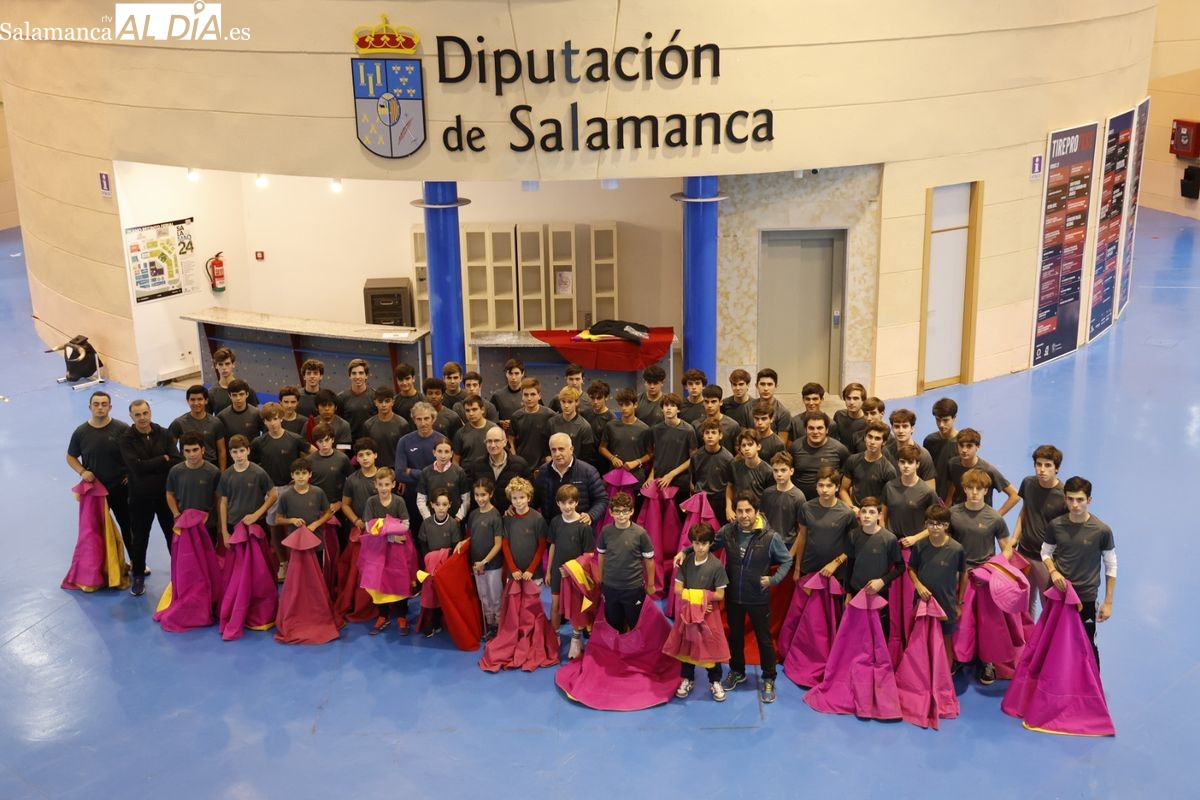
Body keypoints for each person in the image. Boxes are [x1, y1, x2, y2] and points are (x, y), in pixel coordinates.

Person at [681, 491, 792, 703]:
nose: (743, 515)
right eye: (740, 510)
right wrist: (685, 552)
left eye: (748, 510)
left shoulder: (770, 537)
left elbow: (786, 560)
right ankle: (737, 671)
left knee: (764, 639)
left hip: (758, 597)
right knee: (735, 636)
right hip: (733, 596)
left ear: (756, 512)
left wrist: (774, 579)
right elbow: (705, 543)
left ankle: (768, 677)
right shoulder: (728, 532)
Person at [948, 467, 1014, 684]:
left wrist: (993, 566)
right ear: (964, 489)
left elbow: (1007, 548)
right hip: (961, 576)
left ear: (986, 490)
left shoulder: (994, 517)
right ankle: (958, 657)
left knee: (988, 623)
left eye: (979, 488)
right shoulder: (953, 513)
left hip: (985, 578)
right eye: (970, 488)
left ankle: (988, 662)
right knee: (960, 620)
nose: (974, 492)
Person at [1043, 476, 1116, 666]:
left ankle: (1092, 689)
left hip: (1086, 597)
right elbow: (1045, 552)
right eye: (1070, 499)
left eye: (1080, 500)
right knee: (1054, 641)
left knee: (1087, 643)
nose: (1075, 504)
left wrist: (1108, 602)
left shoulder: (1102, 530)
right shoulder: (1056, 525)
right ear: (1065, 499)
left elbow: (1111, 565)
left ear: (1089, 500)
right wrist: (1053, 571)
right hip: (1058, 594)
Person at [119, 399, 180, 595]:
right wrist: (162, 459)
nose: (142, 418)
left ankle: (179, 573)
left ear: (150, 412)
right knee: (140, 538)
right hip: (140, 497)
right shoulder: (126, 439)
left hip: (164, 495)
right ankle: (138, 575)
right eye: (137, 415)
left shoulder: (163, 433)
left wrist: (149, 464)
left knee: (172, 535)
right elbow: (135, 467)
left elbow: (176, 460)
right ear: (131, 416)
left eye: (145, 413)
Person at [66, 390, 131, 567]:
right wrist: (82, 472)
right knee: (95, 530)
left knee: (128, 526)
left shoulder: (122, 429)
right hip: (95, 490)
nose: (100, 408)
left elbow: (133, 454)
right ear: (90, 407)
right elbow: (71, 456)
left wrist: (130, 473)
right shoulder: (81, 432)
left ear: (110, 407)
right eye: (96, 404)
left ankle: (135, 561)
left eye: (104, 404)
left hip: (120, 487)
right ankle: (101, 568)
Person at [669, 522, 729, 702]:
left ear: (711, 543)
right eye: (695, 543)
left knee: (712, 645)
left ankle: (715, 680)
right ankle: (687, 678)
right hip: (689, 614)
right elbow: (678, 589)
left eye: (703, 543)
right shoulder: (687, 561)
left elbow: (720, 594)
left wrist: (701, 603)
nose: (699, 547)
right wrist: (699, 603)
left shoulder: (716, 565)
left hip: (709, 615)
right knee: (688, 644)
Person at [907, 505, 968, 669]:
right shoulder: (920, 546)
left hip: (946, 603)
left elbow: (964, 574)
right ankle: (924, 675)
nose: (934, 527)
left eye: (939, 524)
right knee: (921, 639)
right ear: (926, 524)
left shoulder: (956, 549)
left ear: (946, 526)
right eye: (930, 523)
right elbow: (911, 568)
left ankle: (944, 678)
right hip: (922, 602)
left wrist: (960, 602)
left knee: (945, 641)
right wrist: (918, 585)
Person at [1014, 445, 1068, 614]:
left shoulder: (1064, 495)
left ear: (1057, 468)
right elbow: (1024, 511)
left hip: (1047, 561)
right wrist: (1014, 539)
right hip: (1024, 554)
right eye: (1038, 464)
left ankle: (1046, 640)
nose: (1042, 470)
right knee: (1024, 604)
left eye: (1047, 465)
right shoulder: (1028, 483)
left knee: (1049, 606)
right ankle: (1027, 640)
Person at [364, 467, 414, 636]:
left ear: (393, 484)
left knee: (399, 579)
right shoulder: (371, 502)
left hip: (398, 551)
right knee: (378, 580)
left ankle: (401, 615)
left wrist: (386, 529)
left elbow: (406, 524)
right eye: (380, 485)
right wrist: (389, 537)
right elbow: (369, 527)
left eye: (387, 484)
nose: (384, 488)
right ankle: (382, 615)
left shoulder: (399, 501)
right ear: (375, 485)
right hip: (377, 549)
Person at [846, 497, 905, 639]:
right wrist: (848, 592)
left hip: (879, 593)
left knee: (880, 633)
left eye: (872, 512)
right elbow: (850, 564)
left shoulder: (889, 539)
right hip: (856, 591)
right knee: (857, 633)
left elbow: (901, 567)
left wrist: (882, 581)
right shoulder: (853, 535)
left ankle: (879, 661)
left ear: (879, 515)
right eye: (864, 511)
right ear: (859, 514)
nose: (867, 515)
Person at [595, 491, 654, 632]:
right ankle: (617, 649)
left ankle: (634, 649)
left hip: (633, 588)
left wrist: (651, 584)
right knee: (613, 623)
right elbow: (601, 556)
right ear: (610, 512)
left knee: (635, 622)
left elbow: (649, 560)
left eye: (625, 511)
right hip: (610, 587)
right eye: (617, 511)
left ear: (632, 511)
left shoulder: (640, 533)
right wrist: (600, 578)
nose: (621, 515)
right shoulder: (605, 531)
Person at [548, 484, 595, 658]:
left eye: (570, 502)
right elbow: (552, 545)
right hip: (556, 573)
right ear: (557, 503)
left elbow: (589, 554)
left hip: (575, 576)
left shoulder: (584, 526)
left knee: (576, 608)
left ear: (576, 502)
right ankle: (555, 635)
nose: (567, 507)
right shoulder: (555, 522)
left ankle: (576, 639)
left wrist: (570, 570)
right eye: (563, 503)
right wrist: (549, 571)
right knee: (555, 606)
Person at [790, 467, 856, 587]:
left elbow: (853, 545)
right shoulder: (806, 508)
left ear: (837, 487)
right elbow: (802, 537)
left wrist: (835, 563)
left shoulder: (847, 513)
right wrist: (797, 568)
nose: (824, 490)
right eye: (821, 485)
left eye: (829, 485)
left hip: (836, 573)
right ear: (816, 486)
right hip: (809, 569)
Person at [417, 487, 465, 638]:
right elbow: (423, 544)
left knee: (443, 595)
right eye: (438, 504)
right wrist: (429, 562)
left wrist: (444, 566)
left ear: (450, 505)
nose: (441, 508)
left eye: (444, 504)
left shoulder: (453, 524)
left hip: (446, 567)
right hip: (430, 567)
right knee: (430, 595)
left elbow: (455, 547)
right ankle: (431, 622)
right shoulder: (426, 524)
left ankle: (440, 621)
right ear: (432, 505)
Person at [217, 434, 276, 549]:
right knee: (239, 563)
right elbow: (223, 503)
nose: (239, 455)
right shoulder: (226, 475)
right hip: (234, 524)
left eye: (242, 451)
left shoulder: (259, 473)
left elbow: (273, 495)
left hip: (257, 523)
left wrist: (256, 514)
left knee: (259, 562)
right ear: (230, 453)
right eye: (235, 452)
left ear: (248, 451)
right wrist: (224, 532)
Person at [534, 433, 608, 524]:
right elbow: (534, 500)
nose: (557, 454)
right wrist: (516, 507)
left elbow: (602, 499)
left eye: (561, 449)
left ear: (571, 449)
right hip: (551, 531)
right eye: (553, 450)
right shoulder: (543, 471)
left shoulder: (588, 471)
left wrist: (591, 515)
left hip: (580, 530)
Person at [944, 428, 1020, 516]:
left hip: (980, 517)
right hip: (958, 515)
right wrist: (947, 505)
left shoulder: (988, 470)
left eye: (969, 446)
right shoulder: (952, 464)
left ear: (978, 447)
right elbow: (953, 484)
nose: (964, 450)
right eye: (961, 445)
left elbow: (1015, 495)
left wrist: (997, 516)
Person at [164, 431, 221, 541]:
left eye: (195, 450)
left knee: (209, 558)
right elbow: (170, 494)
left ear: (203, 450)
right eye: (187, 451)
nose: (192, 454)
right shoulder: (175, 471)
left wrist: (220, 524)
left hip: (208, 525)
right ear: (182, 452)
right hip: (185, 525)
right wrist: (176, 514)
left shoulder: (214, 472)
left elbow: (218, 499)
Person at [467, 478, 504, 640]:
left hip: (492, 565)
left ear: (491, 494)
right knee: (483, 596)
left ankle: (499, 624)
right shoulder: (473, 514)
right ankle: (489, 623)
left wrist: (485, 561)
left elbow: (498, 544)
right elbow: (471, 537)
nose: (480, 498)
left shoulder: (495, 515)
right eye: (477, 495)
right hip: (477, 565)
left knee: (495, 595)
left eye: (483, 495)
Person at [464, 426, 532, 515]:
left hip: (512, 518)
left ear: (505, 442)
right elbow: (472, 495)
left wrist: (515, 507)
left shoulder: (520, 465)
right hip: (486, 518)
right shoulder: (476, 465)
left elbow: (530, 493)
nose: (492, 445)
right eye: (489, 441)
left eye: (496, 441)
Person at [882, 444, 939, 542]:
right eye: (902, 462)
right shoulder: (889, 486)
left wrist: (915, 538)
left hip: (916, 544)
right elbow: (883, 516)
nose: (906, 466)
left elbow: (936, 523)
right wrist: (885, 536)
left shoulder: (927, 492)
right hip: (891, 542)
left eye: (910, 462)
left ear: (917, 464)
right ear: (898, 464)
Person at [787, 410, 849, 499]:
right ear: (805, 429)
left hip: (829, 503)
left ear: (827, 429)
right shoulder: (795, 447)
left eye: (819, 428)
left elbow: (846, 478)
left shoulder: (840, 450)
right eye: (811, 428)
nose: (815, 432)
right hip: (800, 501)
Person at [394, 402, 441, 517]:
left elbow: (443, 473)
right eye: (419, 419)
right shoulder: (404, 441)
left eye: (426, 418)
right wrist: (429, 474)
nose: (423, 423)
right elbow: (399, 474)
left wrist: (412, 471)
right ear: (414, 420)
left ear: (433, 419)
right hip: (412, 496)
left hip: (436, 496)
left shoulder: (442, 441)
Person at [839, 421, 897, 512]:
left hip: (874, 516)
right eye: (870, 437)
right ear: (865, 438)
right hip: (853, 513)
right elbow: (843, 489)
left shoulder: (888, 470)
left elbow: (889, 501)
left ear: (884, 442)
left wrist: (870, 513)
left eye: (877, 439)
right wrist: (852, 509)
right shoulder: (852, 460)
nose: (872, 442)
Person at [599, 388, 652, 483]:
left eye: (627, 405)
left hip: (636, 477)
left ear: (635, 405)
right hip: (614, 476)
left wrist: (637, 462)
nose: (623, 408)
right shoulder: (610, 425)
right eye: (621, 405)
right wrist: (612, 458)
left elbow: (650, 454)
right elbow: (602, 448)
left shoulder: (645, 429)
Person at [502, 477, 549, 583]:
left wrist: (531, 570)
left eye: (522, 497)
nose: (518, 501)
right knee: (513, 600)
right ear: (510, 499)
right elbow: (505, 545)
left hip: (534, 573)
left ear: (529, 498)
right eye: (514, 498)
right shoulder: (507, 518)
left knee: (533, 600)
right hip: (513, 573)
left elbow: (542, 547)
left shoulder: (538, 519)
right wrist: (513, 569)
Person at [646, 393, 696, 491]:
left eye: (672, 406)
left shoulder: (688, 430)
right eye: (666, 405)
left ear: (678, 409)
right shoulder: (655, 430)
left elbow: (693, 458)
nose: (669, 408)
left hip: (680, 481)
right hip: (659, 480)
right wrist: (651, 476)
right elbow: (656, 456)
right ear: (662, 409)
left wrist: (672, 474)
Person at [169, 385, 226, 469]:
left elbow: (221, 451)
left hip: (211, 467)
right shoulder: (178, 423)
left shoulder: (216, 423)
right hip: (188, 468)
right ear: (187, 401)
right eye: (192, 399)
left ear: (206, 401)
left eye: (200, 399)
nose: (196, 403)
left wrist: (222, 473)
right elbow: (170, 449)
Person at [416, 437, 471, 524]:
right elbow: (421, 500)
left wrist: (458, 518)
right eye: (439, 451)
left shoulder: (459, 472)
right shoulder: (426, 472)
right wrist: (428, 519)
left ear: (451, 453)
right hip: (432, 523)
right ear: (434, 452)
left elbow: (466, 499)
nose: (443, 456)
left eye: (446, 452)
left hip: (455, 522)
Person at [689, 419, 734, 524]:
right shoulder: (696, 456)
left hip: (720, 501)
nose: (710, 436)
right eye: (707, 433)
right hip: (701, 500)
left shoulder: (728, 458)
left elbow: (730, 484)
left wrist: (728, 507)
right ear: (702, 436)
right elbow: (694, 480)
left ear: (720, 435)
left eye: (713, 432)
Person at [761, 451, 806, 550]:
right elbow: (762, 519)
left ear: (791, 471)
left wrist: (791, 555)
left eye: (783, 470)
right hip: (767, 542)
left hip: (787, 544)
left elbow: (801, 531)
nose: (779, 474)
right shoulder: (767, 493)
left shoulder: (798, 496)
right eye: (775, 471)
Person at [361, 385, 412, 471]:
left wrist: (403, 472)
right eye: (380, 401)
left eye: (387, 401)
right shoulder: (368, 425)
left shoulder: (402, 424)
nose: (383, 405)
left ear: (393, 402)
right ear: (375, 403)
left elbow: (406, 452)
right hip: (375, 470)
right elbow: (366, 450)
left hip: (396, 470)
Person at [509, 377, 555, 470]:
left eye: (533, 394)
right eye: (526, 395)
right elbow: (511, 439)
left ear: (539, 395)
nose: (529, 398)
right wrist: (514, 458)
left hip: (544, 465)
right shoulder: (516, 416)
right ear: (522, 396)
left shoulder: (550, 415)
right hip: (522, 465)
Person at [726, 429, 772, 518]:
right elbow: (729, 486)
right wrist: (728, 508)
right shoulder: (734, 466)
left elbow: (770, 499)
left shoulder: (768, 471)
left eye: (750, 444)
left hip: (759, 516)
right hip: (738, 514)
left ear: (758, 446)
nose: (747, 448)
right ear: (740, 449)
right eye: (743, 445)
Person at [547, 386, 597, 465]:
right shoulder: (551, 423)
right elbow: (546, 449)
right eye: (563, 402)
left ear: (576, 402)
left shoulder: (584, 427)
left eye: (570, 402)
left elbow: (586, 456)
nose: (566, 406)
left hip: (576, 468)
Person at [923, 397, 959, 499]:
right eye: (938, 420)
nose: (941, 425)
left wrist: (948, 502)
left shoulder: (963, 444)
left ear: (954, 418)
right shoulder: (929, 440)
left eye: (945, 420)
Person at [208, 347, 260, 415]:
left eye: (227, 364)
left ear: (233, 365)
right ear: (216, 366)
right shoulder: (211, 393)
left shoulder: (247, 390)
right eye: (220, 364)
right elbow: (208, 419)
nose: (224, 368)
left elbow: (255, 416)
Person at [453, 393, 500, 464]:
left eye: (474, 409)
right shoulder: (460, 433)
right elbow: (455, 460)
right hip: (467, 473)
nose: (471, 413)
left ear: (482, 410)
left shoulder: (494, 430)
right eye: (467, 410)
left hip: (488, 472)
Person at [217, 379, 264, 448]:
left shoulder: (257, 414)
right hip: (232, 457)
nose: (238, 398)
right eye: (234, 395)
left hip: (253, 457)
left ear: (247, 394)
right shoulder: (222, 417)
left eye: (241, 394)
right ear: (230, 396)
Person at [338, 358, 376, 439]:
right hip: (350, 444)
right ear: (349, 376)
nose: (357, 376)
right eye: (354, 373)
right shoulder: (341, 398)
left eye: (361, 373)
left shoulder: (375, 396)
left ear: (366, 376)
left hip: (370, 443)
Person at [701, 384, 741, 453]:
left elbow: (739, 452)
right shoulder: (696, 424)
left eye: (713, 401)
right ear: (703, 403)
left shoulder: (733, 426)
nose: (709, 405)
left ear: (721, 402)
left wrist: (730, 462)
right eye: (706, 402)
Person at [830, 382, 866, 449]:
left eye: (855, 398)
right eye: (848, 398)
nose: (851, 402)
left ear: (863, 400)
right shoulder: (839, 415)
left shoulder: (868, 420)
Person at [490, 358, 526, 424]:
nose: (513, 377)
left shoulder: (530, 394)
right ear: (506, 374)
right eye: (510, 373)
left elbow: (538, 415)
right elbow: (489, 417)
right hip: (504, 433)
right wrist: (500, 423)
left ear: (522, 373)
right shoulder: (497, 395)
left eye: (516, 373)